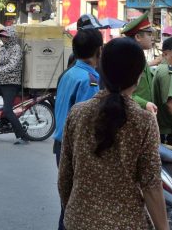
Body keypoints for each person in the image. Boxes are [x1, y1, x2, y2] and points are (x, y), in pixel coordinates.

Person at [58, 37, 169, 230]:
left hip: (78, 221)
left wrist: (75, 212)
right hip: (127, 223)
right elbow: (151, 185)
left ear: (101, 70)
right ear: (138, 76)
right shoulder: (143, 121)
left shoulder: (77, 113)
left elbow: (65, 177)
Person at [53, 28, 103, 230]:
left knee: (68, 203)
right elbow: (86, 123)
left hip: (61, 144)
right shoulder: (89, 81)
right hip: (75, 147)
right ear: (99, 51)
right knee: (77, 206)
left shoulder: (70, 73)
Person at [0, 27, 27, 144]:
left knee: (8, 110)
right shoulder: (3, 48)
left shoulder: (16, 48)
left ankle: (22, 137)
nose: (3, 38)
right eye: (2, 36)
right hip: (2, 81)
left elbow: (12, 66)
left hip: (11, 83)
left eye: (5, 36)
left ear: (11, 37)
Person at [121, 13, 158, 114]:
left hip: (144, 114)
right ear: (138, 37)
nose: (152, 38)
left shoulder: (140, 57)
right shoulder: (129, 59)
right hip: (132, 114)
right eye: (149, 34)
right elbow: (122, 93)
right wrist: (144, 104)